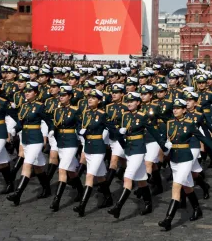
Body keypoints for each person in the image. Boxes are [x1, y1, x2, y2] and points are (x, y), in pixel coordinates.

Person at [158, 98, 212, 231]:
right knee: (187, 187)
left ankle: (168, 219)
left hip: (186, 159)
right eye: (174, 108)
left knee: (176, 186)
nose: (175, 110)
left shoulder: (190, 124)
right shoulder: (169, 123)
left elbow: (203, 138)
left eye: (178, 108)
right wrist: (165, 145)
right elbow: (164, 138)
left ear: (184, 110)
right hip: (174, 158)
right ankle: (197, 209)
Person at [108, 92, 168, 219]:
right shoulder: (124, 116)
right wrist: (121, 138)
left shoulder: (143, 117)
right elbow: (116, 131)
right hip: (129, 150)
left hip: (139, 150)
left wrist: (164, 146)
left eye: (132, 101)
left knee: (128, 178)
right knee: (141, 179)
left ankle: (118, 207)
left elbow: (154, 132)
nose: (129, 103)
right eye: (128, 101)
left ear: (138, 103)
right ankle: (148, 204)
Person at [6, 82, 53, 206]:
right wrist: (16, 128)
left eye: (30, 91)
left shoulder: (40, 106)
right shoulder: (24, 106)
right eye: (26, 91)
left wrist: (51, 131)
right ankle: (47, 189)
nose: (26, 93)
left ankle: (18, 194)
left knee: (27, 165)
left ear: (36, 93)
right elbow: (21, 122)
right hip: (26, 139)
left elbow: (49, 121)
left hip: (36, 140)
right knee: (38, 167)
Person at [73, 89, 117, 217]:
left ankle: (82, 205)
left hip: (98, 148)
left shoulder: (103, 114)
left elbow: (113, 129)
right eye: (89, 97)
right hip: (88, 147)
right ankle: (108, 197)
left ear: (99, 100)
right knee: (100, 176)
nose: (90, 99)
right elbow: (78, 123)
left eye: (93, 98)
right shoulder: (86, 113)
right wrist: (80, 131)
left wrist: (115, 138)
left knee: (90, 175)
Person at [49, 85, 83, 211]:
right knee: (71, 171)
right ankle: (80, 191)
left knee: (62, 169)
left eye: (63, 96)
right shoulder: (57, 110)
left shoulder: (75, 110)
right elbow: (54, 123)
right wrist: (52, 130)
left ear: (70, 96)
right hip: (61, 142)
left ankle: (56, 200)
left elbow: (79, 125)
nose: (61, 97)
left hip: (71, 142)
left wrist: (82, 137)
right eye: (60, 95)